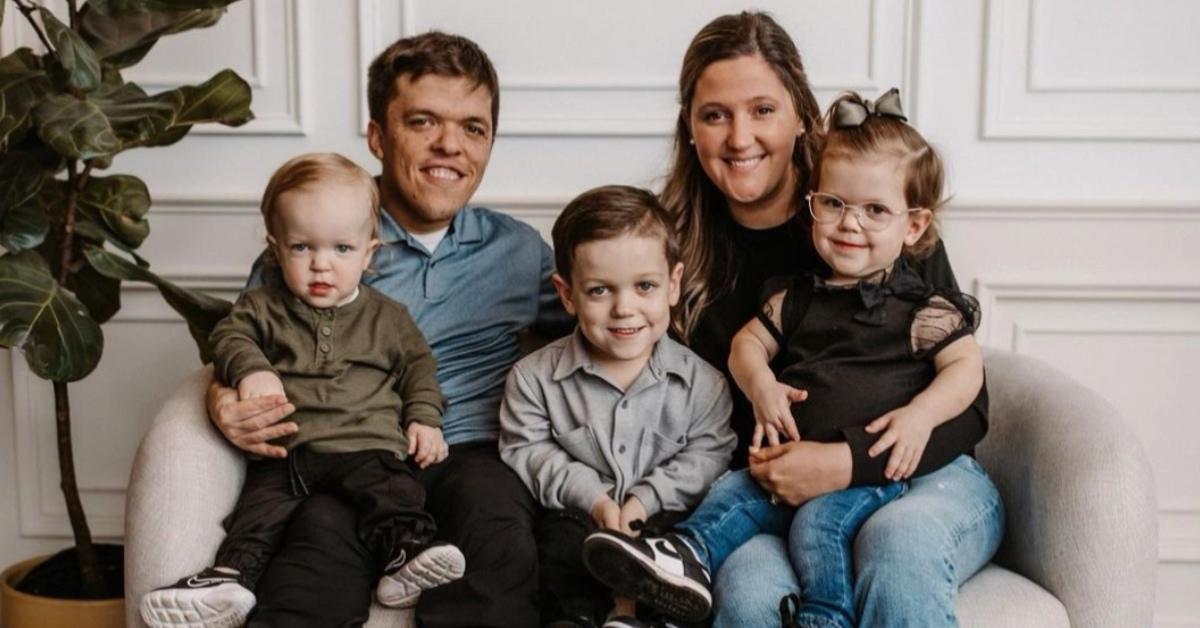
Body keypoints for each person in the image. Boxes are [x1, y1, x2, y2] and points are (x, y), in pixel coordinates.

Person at [583, 90, 995, 628]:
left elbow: (967, 373)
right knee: (734, 492)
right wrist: (762, 387)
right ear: (815, 202)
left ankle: (826, 614)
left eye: (874, 211)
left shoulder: (921, 304)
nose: (850, 224)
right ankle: (680, 557)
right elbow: (746, 344)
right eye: (834, 205)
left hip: (876, 470)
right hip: (782, 467)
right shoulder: (795, 294)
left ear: (912, 226)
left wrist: (920, 416)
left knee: (824, 522)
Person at [203, 33, 569, 628]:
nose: (450, 145)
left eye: (473, 128)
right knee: (315, 553)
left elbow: (588, 348)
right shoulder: (318, 244)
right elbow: (241, 344)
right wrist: (223, 400)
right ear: (378, 136)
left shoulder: (522, 253)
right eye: (424, 121)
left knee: (501, 537)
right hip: (346, 450)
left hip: (469, 451)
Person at [140, 153, 466, 628]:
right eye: (301, 248)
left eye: (341, 249)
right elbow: (227, 338)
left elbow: (418, 368)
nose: (321, 266)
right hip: (286, 453)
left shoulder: (389, 318)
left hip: (364, 445)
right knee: (257, 516)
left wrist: (424, 418)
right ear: (275, 249)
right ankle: (229, 581)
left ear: (369, 252)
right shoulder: (261, 307)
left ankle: (406, 555)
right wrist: (251, 371)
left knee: (392, 493)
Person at [499, 186, 736, 628]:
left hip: (664, 518)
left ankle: (651, 615)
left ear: (673, 284)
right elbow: (526, 450)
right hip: (579, 517)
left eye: (644, 286)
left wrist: (645, 500)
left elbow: (709, 456)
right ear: (567, 295)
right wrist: (595, 499)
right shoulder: (534, 379)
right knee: (558, 545)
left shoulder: (703, 383)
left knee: (690, 542)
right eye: (600, 291)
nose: (624, 309)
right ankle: (587, 619)